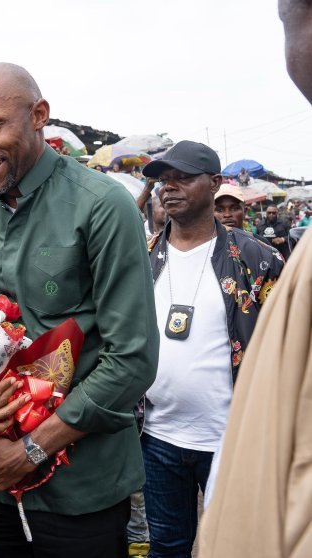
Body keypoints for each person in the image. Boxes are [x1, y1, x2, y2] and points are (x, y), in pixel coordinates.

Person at [0, 63, 158, 557]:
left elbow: (133, 358)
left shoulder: (102, 206)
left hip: (83, 486)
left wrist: (31, 450)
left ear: (38, 115)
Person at [198, 4, 312, 554]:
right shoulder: (151, 251)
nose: (228, 213)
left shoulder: (267, 257)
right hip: (165, 430)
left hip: (227, 424)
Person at [141, 141, 284, 558]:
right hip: (156, 437)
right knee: (167, 545)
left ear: (216, 183)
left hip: (231, 437)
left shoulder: (257, 259)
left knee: (240, 547)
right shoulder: (141, 255)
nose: (169, 187)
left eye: (183, 177)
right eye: (164, 180)